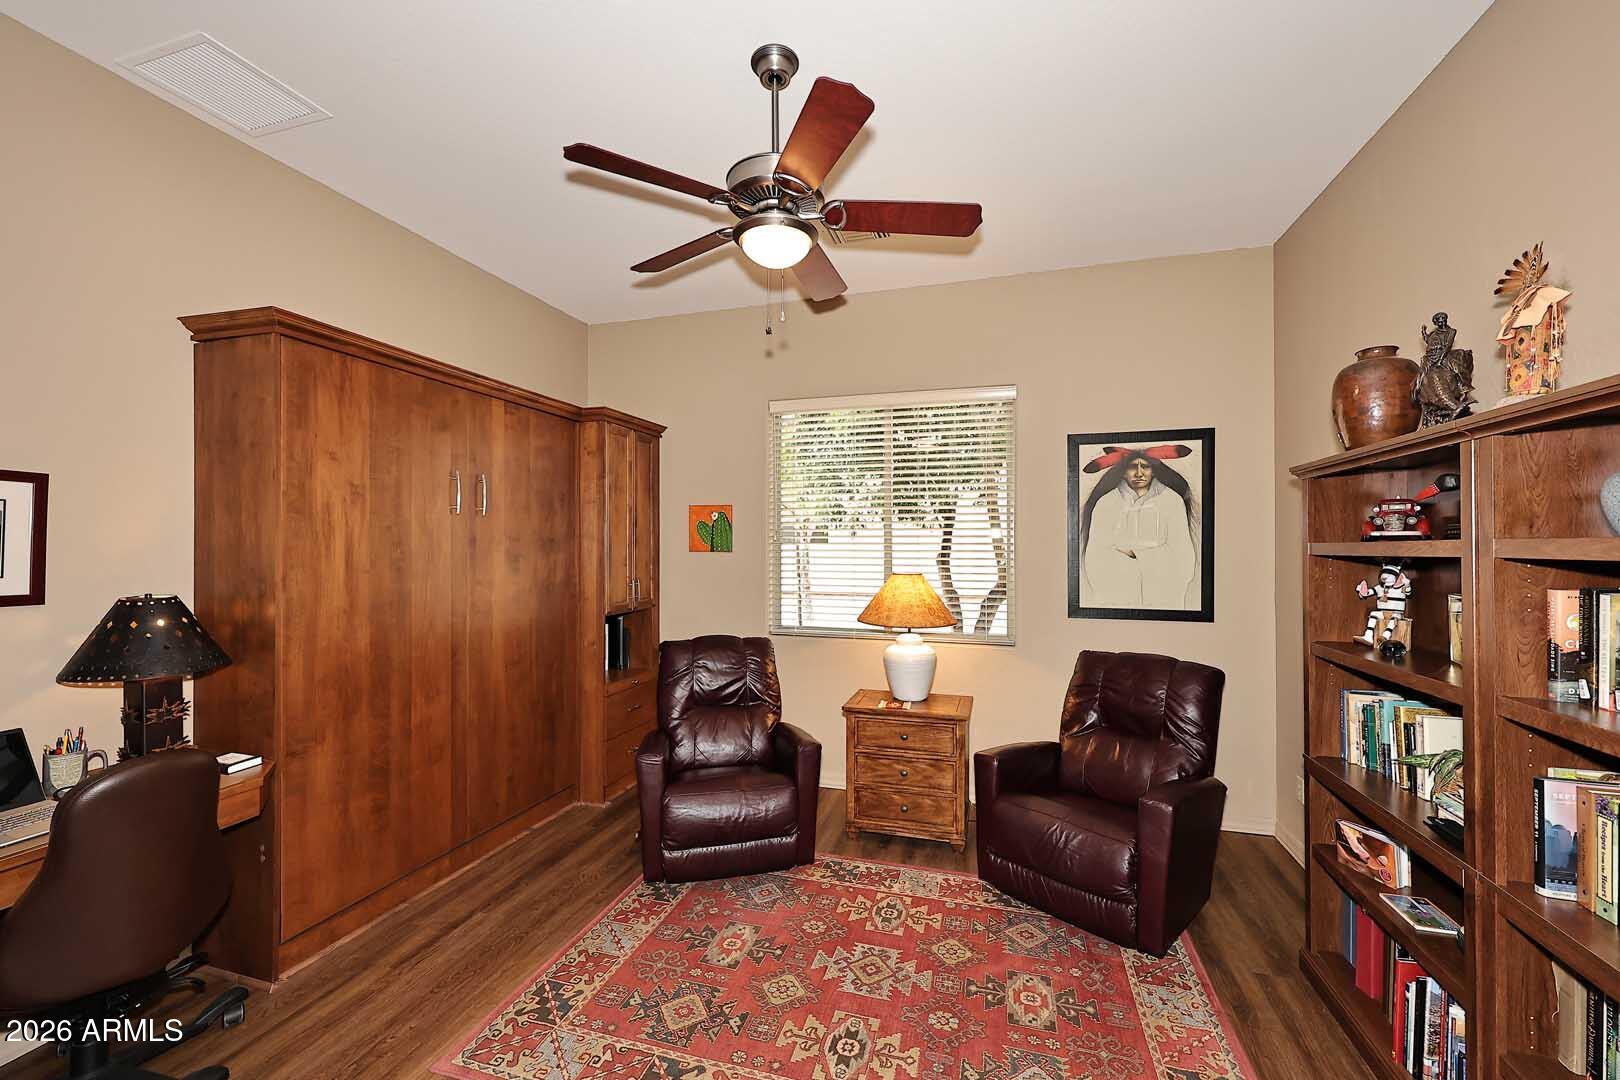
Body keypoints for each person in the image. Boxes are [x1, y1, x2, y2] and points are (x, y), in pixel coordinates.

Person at [1079, 444, 1199, 609]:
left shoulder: (1172, 502)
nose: (1139, 473)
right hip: (1116, 606)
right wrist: (1154, 554)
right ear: (1123, 471)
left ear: (1154, 470)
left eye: (1146, 467)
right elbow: (1095, 561)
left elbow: (1184, 561)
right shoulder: (1106, 503)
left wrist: (1133, 553)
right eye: (1132, 467)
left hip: (1164, 605)